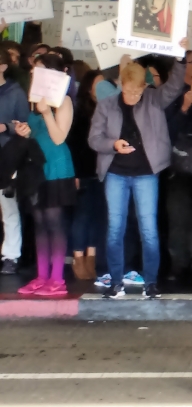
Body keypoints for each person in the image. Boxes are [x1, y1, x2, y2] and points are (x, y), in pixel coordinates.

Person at [88, 47, 187, 299]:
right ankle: (116, 281)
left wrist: (179, 58)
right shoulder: (107, 105)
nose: (133, 95)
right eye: (129, 90)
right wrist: (113, 144)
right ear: (121, 84)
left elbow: (175, 86)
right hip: (115, 172)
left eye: (138, 91)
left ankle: (151, 282)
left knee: (149, 229)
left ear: (145, 86)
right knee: (115, 228)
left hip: (146, 173)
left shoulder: (153, 99)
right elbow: (93, 138)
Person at [16, 54, 77, 297]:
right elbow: (36, 132)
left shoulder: (64, 101)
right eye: (33, 72)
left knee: (54, 222)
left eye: (39, 71)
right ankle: (41, 276)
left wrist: (46, 113)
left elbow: (59, 137)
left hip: (57, 167)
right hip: (36, 168)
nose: (34, 75)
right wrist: (24, 130)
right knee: (39, 223)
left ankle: (57, 278)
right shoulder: (33, 101)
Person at [67, 70, 106, 280]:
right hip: (82, 172)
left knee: (97, 215)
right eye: (97, 85)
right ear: (88, 87)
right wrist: (74, 173)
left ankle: (91, 256)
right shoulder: (79, 111)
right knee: (82, 216)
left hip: (101, 171)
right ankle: (78, 257)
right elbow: (72, 145)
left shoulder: (108, 109)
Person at [0, 45, 29, 275]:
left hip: (7, 154)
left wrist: (6, 126)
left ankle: (11, 255)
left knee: (8, 207)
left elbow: (25, 125)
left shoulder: (15, 92)